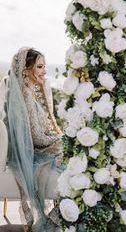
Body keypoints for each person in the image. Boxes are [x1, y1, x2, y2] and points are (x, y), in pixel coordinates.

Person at [6, 47, 63, 231]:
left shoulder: (28, 93)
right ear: (26, 69)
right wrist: (61, 141)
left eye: (44, 66)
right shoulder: (26, 97)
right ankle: (60, 220)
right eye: (40, 66)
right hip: (36, 154)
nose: (44, 71)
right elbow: (36, 138)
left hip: (40, 149)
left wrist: (58, 137)